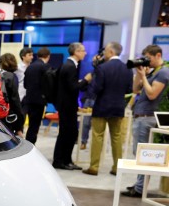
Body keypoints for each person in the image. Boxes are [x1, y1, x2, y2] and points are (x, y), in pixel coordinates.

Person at [122, 44, 169, 197]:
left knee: (143, 154)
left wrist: (144, 77)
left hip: (148, 117)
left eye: (148, 58)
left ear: (158, 55)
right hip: (141, 116)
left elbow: (152, 94)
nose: (146, 61)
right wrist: (139, 73)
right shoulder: (152, 72)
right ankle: (139, 185)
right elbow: (135, 90)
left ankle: (140, 188)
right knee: (138, 153)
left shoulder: (163, 73)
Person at [82, 42, 130, 176]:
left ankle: (94, 167)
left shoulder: (102, 68)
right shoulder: (127, 68)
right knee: (116, 137)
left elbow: (97, 88)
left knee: (97, 136)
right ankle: (117, 168)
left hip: (101, 107)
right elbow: (129, 89)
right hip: (118, 108)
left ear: (110, 52)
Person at [52, 42, 90, 170]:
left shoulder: (68, 65)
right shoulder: (70, 66)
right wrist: (86, 80)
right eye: (83, 50)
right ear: (76, 52)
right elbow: (73, 88)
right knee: (68, 133)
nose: (85, 53)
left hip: (67, 105)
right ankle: (61, 161)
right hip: (67, 107)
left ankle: (65, 160)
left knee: (68, 133)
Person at [22, 47, 51, 143]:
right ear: (48, 56)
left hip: (28, 100)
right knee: (34, 127)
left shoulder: (30, 67)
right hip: (39, 102)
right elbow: (49, 85)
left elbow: (25, 85)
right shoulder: (45, 67)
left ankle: (27, 145)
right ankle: (31, 147)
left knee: (29, 125)